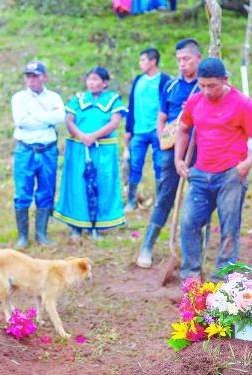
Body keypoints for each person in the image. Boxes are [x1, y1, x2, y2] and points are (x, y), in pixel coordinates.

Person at [176, 58, 252, 280]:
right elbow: (183, 127)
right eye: (202, 85)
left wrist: (247, 163)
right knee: (188, 222)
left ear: (225, 80)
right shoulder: (195, 101)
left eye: (212, 86)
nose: (206, 91)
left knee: (229, 227)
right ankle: (191, 274)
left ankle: (223, 276)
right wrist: (179, 159)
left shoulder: (242, 104)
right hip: (199, 174)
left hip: (231, 175)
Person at [136, 38, 202, 268]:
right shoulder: (171, 86)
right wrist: (163, 139)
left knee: (198, 198)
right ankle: (147, 245)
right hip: (171, 148)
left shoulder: (205, 86)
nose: (182, 64)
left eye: (187, 59)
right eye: (179, 60)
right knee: (165, 196)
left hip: (200, 150)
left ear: (198, 59)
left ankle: (194, 249)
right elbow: (162, 117)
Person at [53, 67, 127, 239]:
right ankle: (76, 225)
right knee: (77, 184)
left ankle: (98, 225)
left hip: (103, 149)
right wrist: (82, 136)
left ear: (105, 82)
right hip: (78, 148)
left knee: (102, 183)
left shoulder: (113, 99)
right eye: (89, 79)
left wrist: (93, 136)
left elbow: (115, 122)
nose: (91, 83)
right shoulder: (78, 99)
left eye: (95, 79)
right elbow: (69, 121)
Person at [11, 60, 66, 249]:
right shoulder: (19, 98)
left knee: (47, 190)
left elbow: (60, 117)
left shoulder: (54, 97)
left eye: (35, 76)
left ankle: (42, 234)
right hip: (26, 149)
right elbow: (21, 121)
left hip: (48, 150)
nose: (31, 80)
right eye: (28, 76)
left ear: (44, 77)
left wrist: (34, 116)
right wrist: (46, 118)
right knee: (22, 191)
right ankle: (23, 236)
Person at [124, 47, 171, 211]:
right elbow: (131, 105)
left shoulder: (165, 80)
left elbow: (169, 106)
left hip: (158, 130)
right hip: (138, 131)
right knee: (134, 164)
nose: (140, 63)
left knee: (160, 164)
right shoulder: (138, 80)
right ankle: (131, 200)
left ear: (153, 61)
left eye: (143, 60)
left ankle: (161, 201)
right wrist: (128, 130)